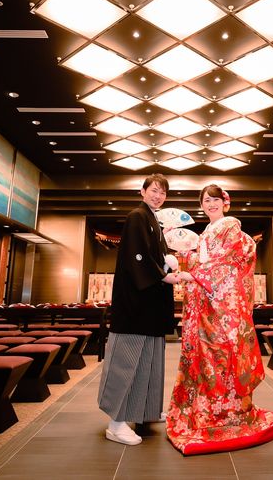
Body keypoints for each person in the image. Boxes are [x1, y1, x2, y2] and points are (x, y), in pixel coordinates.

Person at [166, 184, 273, 455]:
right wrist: (181, 254)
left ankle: (228, 412)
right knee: (206, 357)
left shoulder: (230, 227)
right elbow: (203, 260)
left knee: (224, 354)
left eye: (215, 199)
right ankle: (205, 409)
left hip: (223, 307)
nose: (211, 204)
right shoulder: (207, 231)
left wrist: (193, 274)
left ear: (225, 203)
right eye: (206, 200)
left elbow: (226, 262)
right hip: (207, 303)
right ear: (201, 205)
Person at [98, 173, 183, 445]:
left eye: (162, 192)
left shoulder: (153, 221)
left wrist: (167, 261)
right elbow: (138, 259)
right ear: (142, 191)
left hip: (149, 306)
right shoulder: (137, 217)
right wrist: (163, 275)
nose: (158, 196)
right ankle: (115, 423)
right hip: (134, 306)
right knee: (126, 363)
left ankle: (144, 412)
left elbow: (153, 257)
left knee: (148, 361)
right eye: (154, 190)